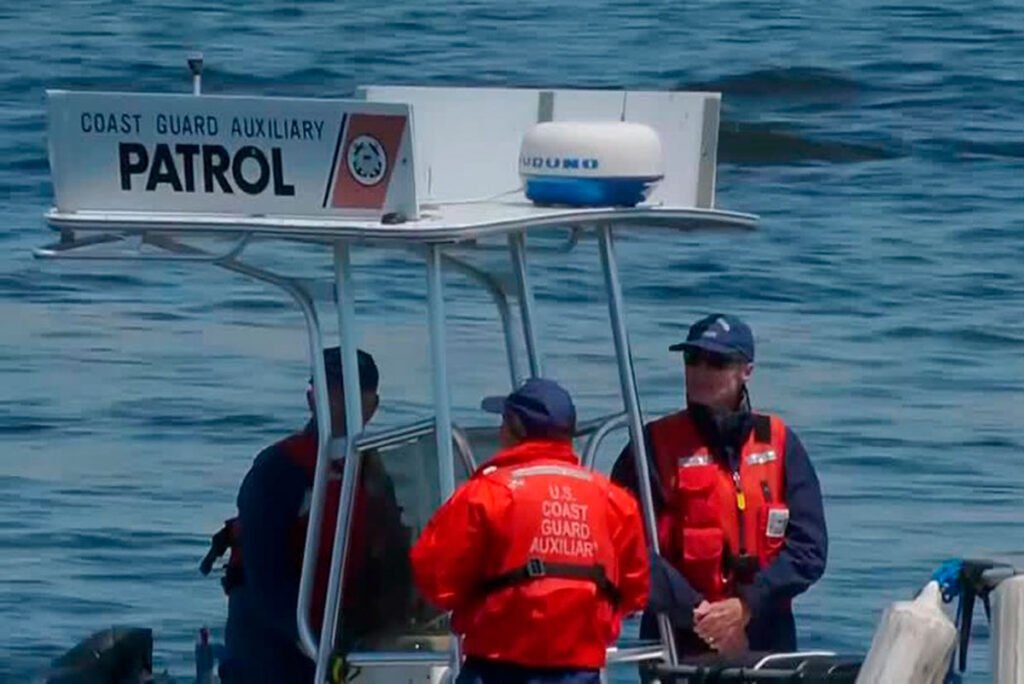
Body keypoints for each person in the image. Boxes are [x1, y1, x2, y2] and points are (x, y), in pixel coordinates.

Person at [611, 314, 827, 658]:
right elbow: (624, 546)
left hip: (765, 637)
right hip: (676, 637)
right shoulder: (651, 445)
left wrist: (746, 606)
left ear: (746, 370)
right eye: (692, 359)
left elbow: (810, 549)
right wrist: (700, 614)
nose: (700, 371)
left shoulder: (780, 442)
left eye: (716, 362)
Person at [410, 378, 650, 684]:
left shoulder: (486, 494)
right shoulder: (615, 502)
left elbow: (434, 577)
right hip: (581, 671)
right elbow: (635, 593)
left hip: (496, 669)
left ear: (515, 428)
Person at [213, 347, 412, 683]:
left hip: (339, 635)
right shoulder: (279, 469)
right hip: (270, 641)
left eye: (354, 395)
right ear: (312, 399)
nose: (342, 404)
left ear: (373, 406)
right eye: (333, 393)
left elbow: (389, 556)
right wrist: (313, 643)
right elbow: (266, 577)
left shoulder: (373, 473)